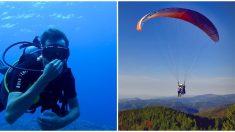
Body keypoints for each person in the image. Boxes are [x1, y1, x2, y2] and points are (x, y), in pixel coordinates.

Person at [0, 28, 80, 130]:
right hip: (5, 95)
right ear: (42, 52)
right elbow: (10, 117)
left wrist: (62, 122)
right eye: (49, 52)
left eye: (61, 53)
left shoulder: (65, 74)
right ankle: (5, 70)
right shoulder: (26, 67)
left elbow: (75, 108)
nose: (55, 59)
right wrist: (45, 78)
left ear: (66, 55)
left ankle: (5, 69)